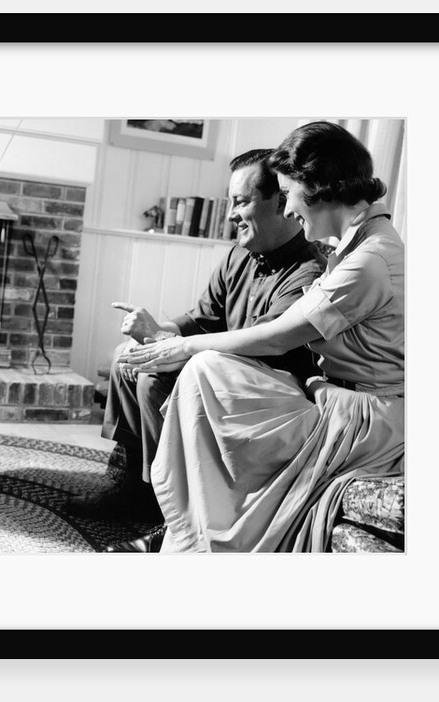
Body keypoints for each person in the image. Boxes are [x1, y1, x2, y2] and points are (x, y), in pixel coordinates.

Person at [117, 120, 405, 553]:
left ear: (318, 185)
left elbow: (273, 338)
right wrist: (174, 341)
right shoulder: (360, 245)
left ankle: (196, 529)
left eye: (287, 193)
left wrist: (180, 346)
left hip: (367, 421)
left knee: (204, 369)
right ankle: (186, 517)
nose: (287, 210)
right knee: (200, 369)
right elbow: (208, 317)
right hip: (338, 398)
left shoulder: (369, 260)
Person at [68, 148, 328, 530]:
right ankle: (134, 484)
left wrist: (166, 345)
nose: (230, 215)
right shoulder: (239, 255)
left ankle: (172, 504)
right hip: (215, 371)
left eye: (240, 202)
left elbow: (260, 348)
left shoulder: (308, 272)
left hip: (260, 394)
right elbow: (201, 318)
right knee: (130, 358)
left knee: (154, 377)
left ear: (280, 201)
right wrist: (156, 331)